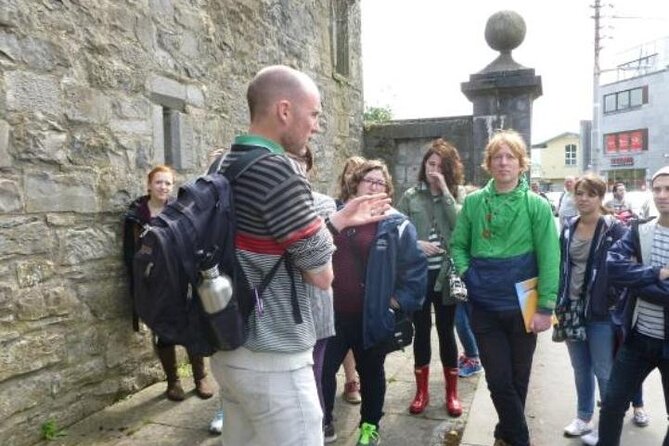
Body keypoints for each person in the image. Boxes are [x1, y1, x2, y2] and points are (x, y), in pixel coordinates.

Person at [208, 65, 390, 446]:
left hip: (232, 349)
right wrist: (329, 232)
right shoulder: (279, 172)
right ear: (285, 111)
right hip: (275, 358)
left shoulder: (225, 162)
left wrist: (337, 219)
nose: (317, 126)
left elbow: (270, 240)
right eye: (314, 114)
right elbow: (321, 275)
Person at [450, 129, 560, 446]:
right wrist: (470, 275)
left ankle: (504, 436)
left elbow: (550, 259)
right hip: (483, 304)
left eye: (510, 156)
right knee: (499, 380)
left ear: (521, 163)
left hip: (525, 301)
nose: (503, 162)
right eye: (497, 157)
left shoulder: (536, 206)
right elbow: (457, 246)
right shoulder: (472, 203)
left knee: (518, 378)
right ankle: (521, 439)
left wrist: (545, 308)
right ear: (488, 163)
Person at [322, 159, 427, 445]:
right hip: (333, 314)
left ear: (388, 189)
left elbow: (415, 271)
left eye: (380, 182)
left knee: (371, 374)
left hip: (371, 317)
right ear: (355, 184)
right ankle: (324, 421)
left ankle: (369, 427)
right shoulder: (337, 214)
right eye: (368, 179)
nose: (373, 185)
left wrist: (395, 303)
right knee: (322, 370)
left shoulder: (397, 224)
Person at [122, 165, 214, 402]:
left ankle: (200, 377)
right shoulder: (136, 216)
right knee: (163, 329)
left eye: (168, 183)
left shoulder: (179, 211)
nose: (163, 187)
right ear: (149, 185)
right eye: (159, 182)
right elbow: (132, 254)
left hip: (182, 276)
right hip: (155, 281)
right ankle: (173, 381)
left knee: (192, 324)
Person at [595, 165, 669, 446]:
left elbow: (627, 276)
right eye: (658, 188)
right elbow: (612, 267)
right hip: (638, 338)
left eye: (668, 188)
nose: (662, 195)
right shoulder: (640, 231)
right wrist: (656, 273)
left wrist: (637, 280)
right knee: (612, 404)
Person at [397, 138, 469, 416]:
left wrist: (444, 193)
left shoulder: (458, 194)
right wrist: (417, 244)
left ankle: (451, 394)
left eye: (440, 165)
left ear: (449, 169)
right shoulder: (411, 195)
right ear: (424, 164)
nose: (434, 169)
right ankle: (421, 392)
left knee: (446, 331)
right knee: (422, 331)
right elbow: (397, 231)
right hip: (418, 276)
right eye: (430, 163)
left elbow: (461, 226)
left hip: (446, 276)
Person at [551, 176, 626, 444]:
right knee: (580, 367)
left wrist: (611, 298)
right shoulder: (569, 227)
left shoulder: (614, 228)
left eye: (590, 194)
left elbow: (625, 267)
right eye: (580, 193)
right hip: (571, 307)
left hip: (600, 312)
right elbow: (561, 264)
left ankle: (607, 425)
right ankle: (584, 417)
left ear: (600, 197)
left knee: (604, 369)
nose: (583, 199)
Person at [336, 155, 367, 406]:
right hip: (340, 287)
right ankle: (350, 379)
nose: (353, 176)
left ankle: (362, 376)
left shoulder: (377, 211)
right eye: (350, 171)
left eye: (359, 172)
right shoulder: (334, 208)